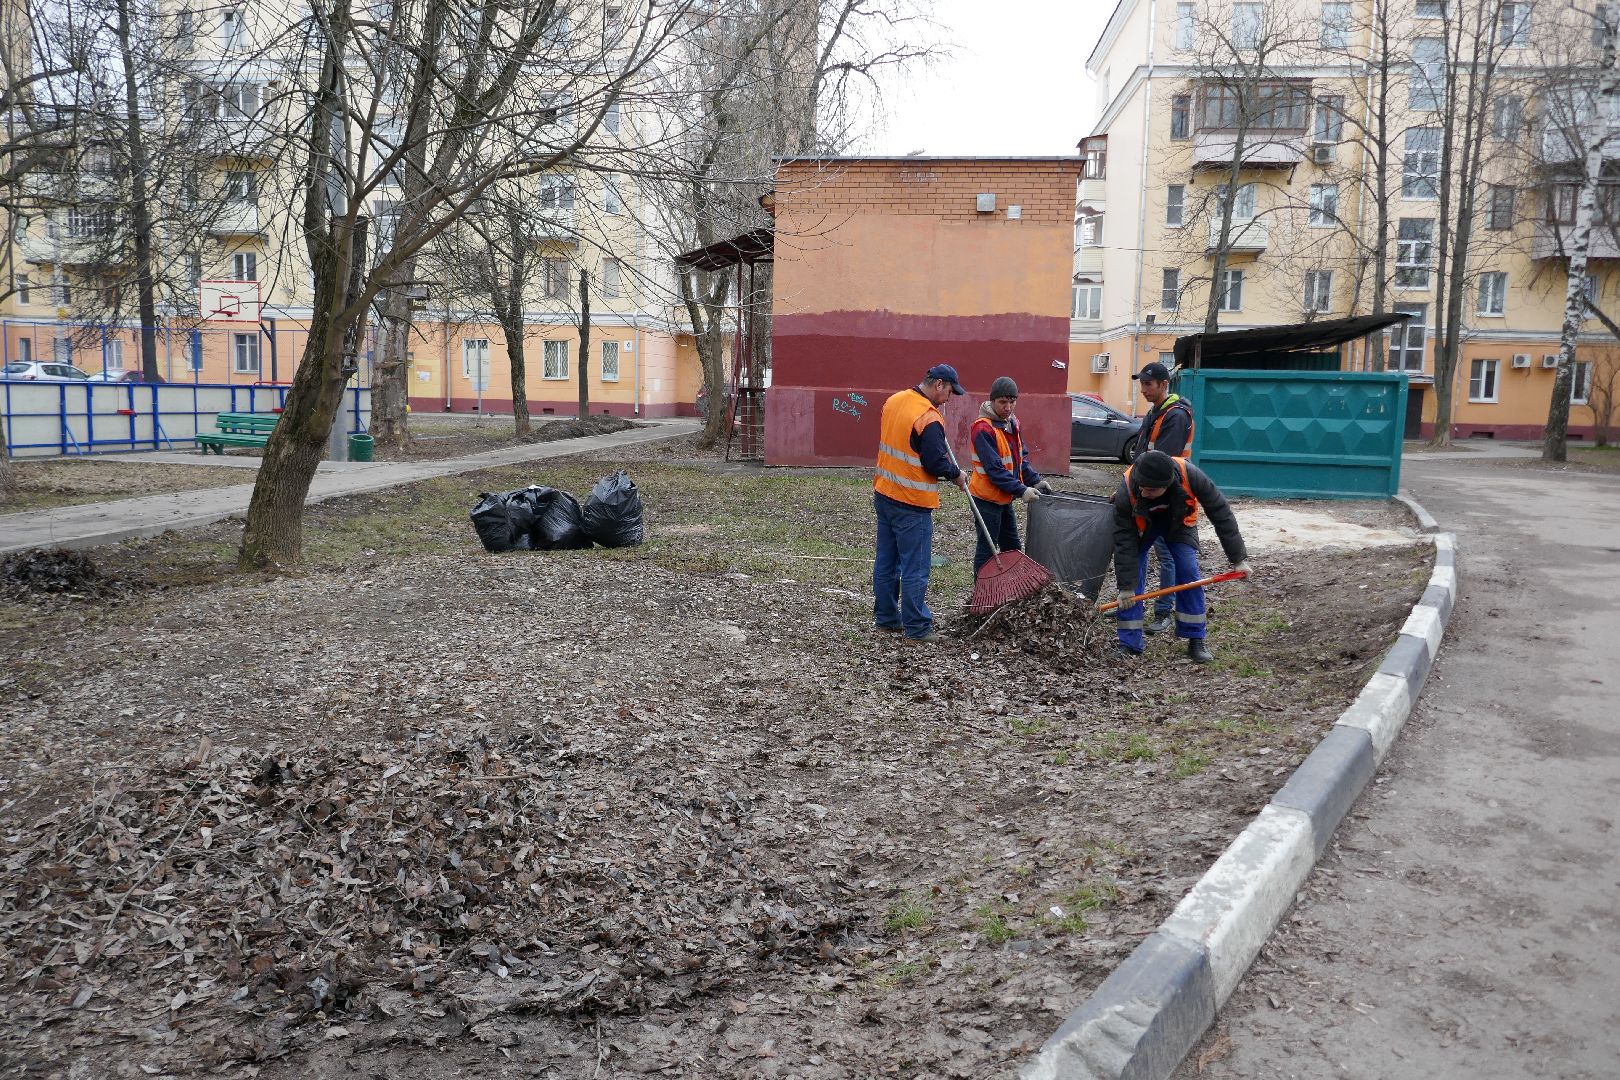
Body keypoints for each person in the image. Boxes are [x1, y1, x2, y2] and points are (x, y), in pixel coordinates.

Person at [1109, 449, 1252, 664]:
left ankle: (1195, 638)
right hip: (1141, 526)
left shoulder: (1191, 475)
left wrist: (1238, 559)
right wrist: (1126, 588)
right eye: (1143, 488)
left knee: (1188, 572)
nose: (1145, 493)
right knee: (1132, 580)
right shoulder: (1127, 490)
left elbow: (1221, 513)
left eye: (1151, 490)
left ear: (1167, 485)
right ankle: (1129, 643)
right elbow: (1124, 543)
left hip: (1178, 523)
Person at [873, 364, 971, 642]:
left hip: (884, 494)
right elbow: (934, 462)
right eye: (950, 391)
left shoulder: (894, 401)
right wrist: (956, 474)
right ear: (939, 384)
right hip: (911, 503)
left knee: (886, 561)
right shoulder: (929, 418)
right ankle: (917, 628)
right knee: (915, 567)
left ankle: (887, 618)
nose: (949, 398)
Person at [1133, 361, 1197, 636]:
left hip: (1169, 496)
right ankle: (1133, 604)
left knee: (1167, 555)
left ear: (1163, 384)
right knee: (1138, 550)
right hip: (1146, 491)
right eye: (1142, 384)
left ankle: (1163, 611)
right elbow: (1141, 452)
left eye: (1149, 384)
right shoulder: (1155, 412)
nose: (1144, 389)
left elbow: (1161, 462)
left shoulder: (1176, 415)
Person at [968, 376, 1053, 573]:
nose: (1008, 407)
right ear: (992, 401)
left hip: (1004, 498)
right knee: (987, 550)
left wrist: (1035, 481)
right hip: (986, 499)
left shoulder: (1012, 423)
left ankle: (1013, 590)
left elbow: (1020, 459)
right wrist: (1022, 489)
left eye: (1012, 401)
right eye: (1002, 402)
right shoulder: (983, 428)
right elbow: (995, 470)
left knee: (1013, 547)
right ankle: (981, 598)